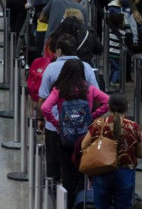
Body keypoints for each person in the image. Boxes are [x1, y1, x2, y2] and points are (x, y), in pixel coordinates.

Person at [41, 58, 109, 208]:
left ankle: (67, 204)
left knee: (66, 173)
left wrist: (57, 123)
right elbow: (108, 101)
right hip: (85, 137)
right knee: (83, 173)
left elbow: (45, 108)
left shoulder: (59, 90)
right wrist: (93, 116)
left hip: (64, 137)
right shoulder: (89, 89)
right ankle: (81, 202)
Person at [38, 36, 100, 184]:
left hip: (55, 126)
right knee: (77, 162)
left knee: (53, 161)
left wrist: (42, 119)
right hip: (80, 126)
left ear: (59, 50)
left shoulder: (51, 68)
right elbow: (97, 95)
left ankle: (52, 194)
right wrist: (92, 116)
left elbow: (43, 98)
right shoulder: (86, 66)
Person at [79, 94, 142, 208]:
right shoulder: (134, 127)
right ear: (127, 107)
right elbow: (141, 154)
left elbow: (83, 145)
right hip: (126, 172)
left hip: (102, 169)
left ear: (108, 107)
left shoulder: (99, 124)